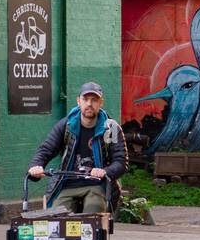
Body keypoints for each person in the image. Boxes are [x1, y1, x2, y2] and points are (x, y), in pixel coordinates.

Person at [28, 82, 127, 213]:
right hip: (67, 184)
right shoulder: (66, 125)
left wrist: (105, 172)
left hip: (97, 184)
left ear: (101, 103)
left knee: (93, 213)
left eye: (94, 100)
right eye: (85, 99)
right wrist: (36, 166)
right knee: (57, 216)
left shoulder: (111, 128)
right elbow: (46, 149)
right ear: (78, 101)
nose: (89, 104)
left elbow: (121, 162)